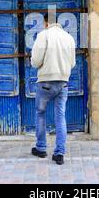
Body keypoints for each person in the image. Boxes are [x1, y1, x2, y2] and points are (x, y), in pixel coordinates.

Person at [30, 13, 76, 165]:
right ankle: (59, 153)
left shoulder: (43, 35)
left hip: (45, 83)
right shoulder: (69, 38)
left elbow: (36, 61)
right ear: (57, 22)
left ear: (45, 23)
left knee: (40, 113)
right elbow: (73, 63)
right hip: (63, 82)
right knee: (60, 116)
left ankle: (41, 148)